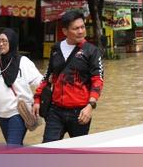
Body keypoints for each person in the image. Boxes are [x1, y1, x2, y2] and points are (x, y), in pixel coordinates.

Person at [32, 10, 104, 143]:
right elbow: (47, 76)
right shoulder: (56, 49)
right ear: (65, 31)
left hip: (81, 112)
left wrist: (90, 106)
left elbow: (97, 80)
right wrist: (37, 99)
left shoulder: (92, 51)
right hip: (55, 110)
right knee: (47, 150)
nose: (81, 31)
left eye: (83, 27)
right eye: (76, 28)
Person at [0, 28, 43, 146]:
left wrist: (38, 100)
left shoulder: (23, 62)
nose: (1, 44)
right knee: (14, 146)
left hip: (18, 111)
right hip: (1, 113)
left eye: (4, 41)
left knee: (11, 147)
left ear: (12, 42)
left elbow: (40, 82)